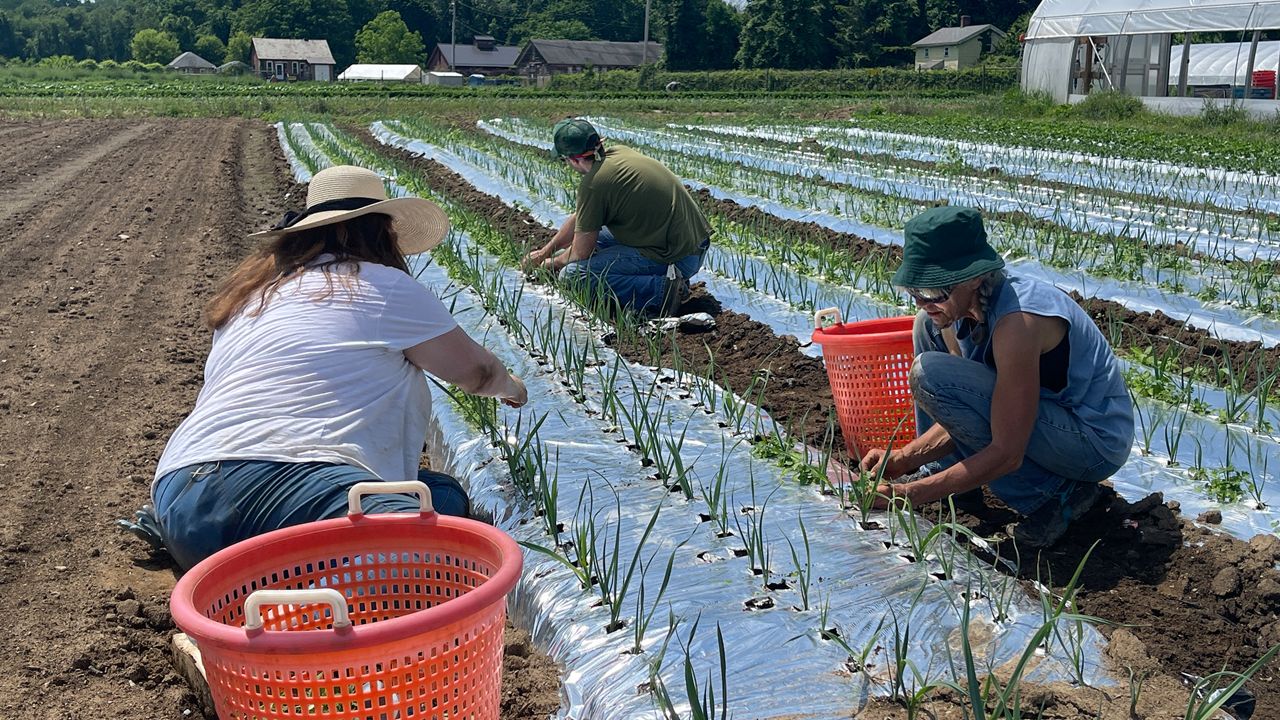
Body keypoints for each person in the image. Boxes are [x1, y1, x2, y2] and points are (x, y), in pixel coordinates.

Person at [137, 165, 527, 570]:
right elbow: (477, 373)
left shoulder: (253, 297)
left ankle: (215, 558)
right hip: (280, 484)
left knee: (441, 495)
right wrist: (512, 388)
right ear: (369, 232)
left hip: (182, 494)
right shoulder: (382, 285)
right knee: (438, 550)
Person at [859, 206, 1133, 547]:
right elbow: (966, 411)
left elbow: (1007, 450)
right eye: (914, 291)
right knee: (925, 329)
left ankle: (1057, 496)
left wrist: (910, 494)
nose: (923, 302)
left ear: (974, 277)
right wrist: (904, 459)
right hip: (1042, 418)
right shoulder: (959, 309)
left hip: (1091, 441)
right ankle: (951, 475)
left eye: (933, 292)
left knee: (931, 374)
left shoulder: (1018, 323)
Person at [521, 117, 712, 316]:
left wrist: (552, 264)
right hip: (693, 243)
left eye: (564, 160)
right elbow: (581, 218)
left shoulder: (594, 184)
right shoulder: (619, 153)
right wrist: (546, 251)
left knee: (573, 275)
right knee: (599, 237)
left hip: (680, 256)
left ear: (574, 159)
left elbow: (580, 252)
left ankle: (662, 291)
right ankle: (663, 277)